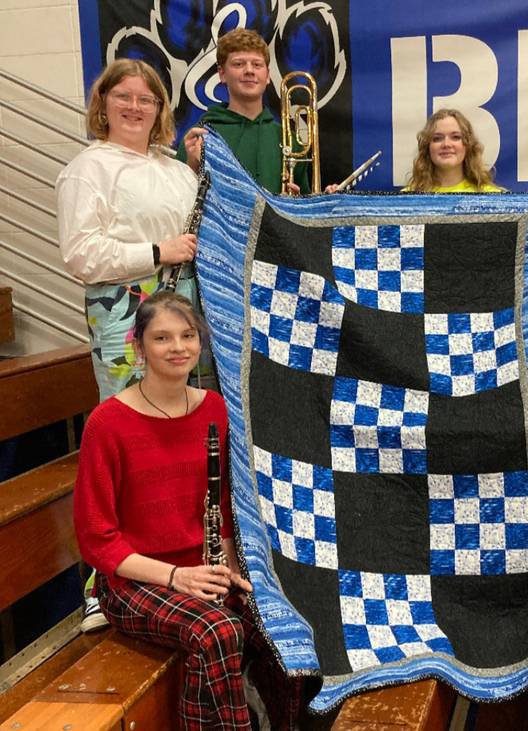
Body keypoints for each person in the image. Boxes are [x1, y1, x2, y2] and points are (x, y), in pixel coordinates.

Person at [73, 291, 302, 730]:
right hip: (134, 580)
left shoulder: (213, 408)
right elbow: (96, 540)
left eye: (187, 335)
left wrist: (231, 567)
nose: (177, 347)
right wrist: (178, 577)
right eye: (162, 337)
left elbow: (223, 503)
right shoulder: (106, 423)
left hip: (204, 569)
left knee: (280, 619)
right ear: (138, 346)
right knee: (218, 632)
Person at [56, 58, 201, 631]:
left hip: (184, 305)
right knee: (126, 436)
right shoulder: (88, 168)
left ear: (161, 109)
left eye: (148, 99)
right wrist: (155, 252)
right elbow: (80, 254)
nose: (136, 108)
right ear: (105, 104)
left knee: (176, 435)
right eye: (125, 97)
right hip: (124, 308)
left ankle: (172, 556)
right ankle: (105, 579)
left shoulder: (175, 171)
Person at [178, 28, 308, 195]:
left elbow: (305, 205)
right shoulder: (200, 137)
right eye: (238, 64)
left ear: (267, 75)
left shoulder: (288, 139)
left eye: (257, 64)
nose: (249, 70)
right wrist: (192, 167)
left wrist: (300, 204)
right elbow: (177, 205)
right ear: (222, 74)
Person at [404, 108, 505, 192]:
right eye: (437, 138)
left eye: (456, 137)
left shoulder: (493, 197)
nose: (446, 144)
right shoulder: (406, 199)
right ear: (427, 147)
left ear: (468, 145)